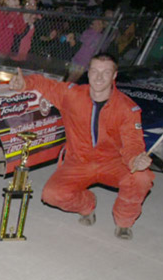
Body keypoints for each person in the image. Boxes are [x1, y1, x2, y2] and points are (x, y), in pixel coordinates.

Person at [8, 54, 154, 239]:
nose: (99, 77)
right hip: (79, 161)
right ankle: (87, 206)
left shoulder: (126, 108)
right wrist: (24, 83)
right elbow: (44, 84)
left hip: (113, 163)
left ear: (114, 75)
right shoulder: (72, 94)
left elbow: (132, 143)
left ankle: (124, 222)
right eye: (95, 71)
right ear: (89, 72)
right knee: (51, 195)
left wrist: (136, 159)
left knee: (141, 177)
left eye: (106, 72)